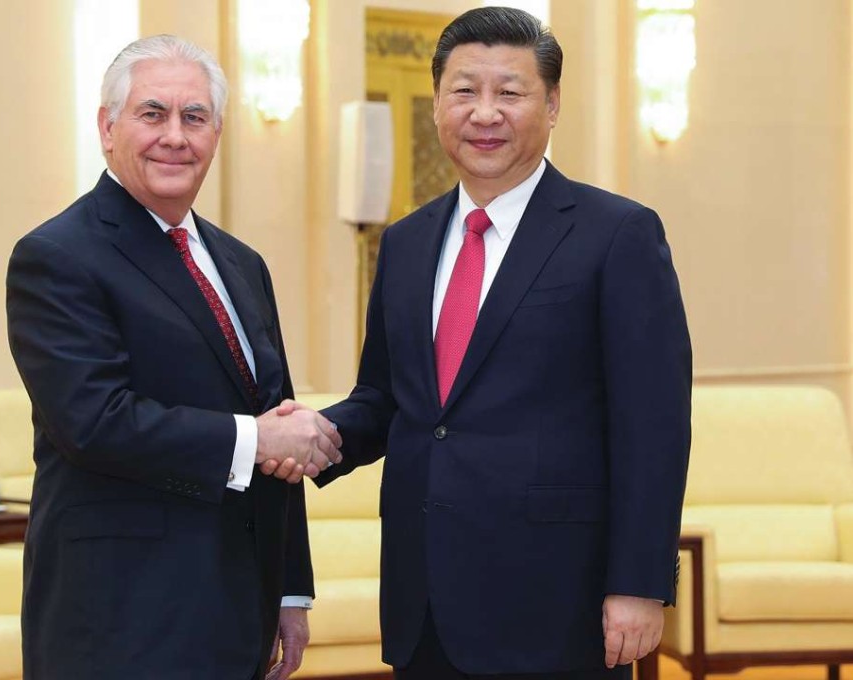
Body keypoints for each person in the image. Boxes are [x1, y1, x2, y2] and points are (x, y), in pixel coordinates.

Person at [281, 7, 691, 679]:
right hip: (424, 598)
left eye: (510, 92)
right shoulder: (406, 243)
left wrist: (640, 583)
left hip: (558, 602)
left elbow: (654, 426)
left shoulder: (617, 234)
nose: (485, 113)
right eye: (465, 91)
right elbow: (387, 398)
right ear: (438, 103)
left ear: (552, 105)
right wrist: (314, 434)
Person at [6, 34, 341, 679]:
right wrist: (255, 438)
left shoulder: (242, 264)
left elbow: (279, 416)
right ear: (108, 128)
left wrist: (289, 589)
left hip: (237, 609)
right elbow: (93, 422)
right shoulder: (58, 256)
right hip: (119, 618)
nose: (175, 137)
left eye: (194, 117)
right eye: (152, 114)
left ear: (217, 134)